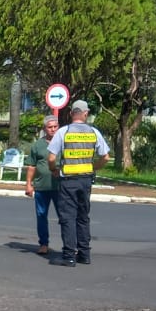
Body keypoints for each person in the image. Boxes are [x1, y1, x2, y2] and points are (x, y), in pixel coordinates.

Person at [46, 99, 110, 267]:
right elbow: (105, 157)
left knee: (68, 217)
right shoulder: (94, 132)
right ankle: (84, 254)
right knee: (83, 217)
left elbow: (51, 157)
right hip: (86, 181)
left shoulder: (63, 132)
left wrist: (54, 169)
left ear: (71, 113)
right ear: (86, 114)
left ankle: (69, 256)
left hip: (68, 181)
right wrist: (93, 167)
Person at [24, 114, 60, 256]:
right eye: (49, 127)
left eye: (55, 127)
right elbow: (32, 166)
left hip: (61, 187)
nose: (52, 130)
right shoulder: (37, 145)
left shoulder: (64, 142)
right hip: (41, 187)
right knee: (41, 215)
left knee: (64, 217)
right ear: (45, 129)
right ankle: (43, 244)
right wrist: (28, 184)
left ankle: (69, 245)